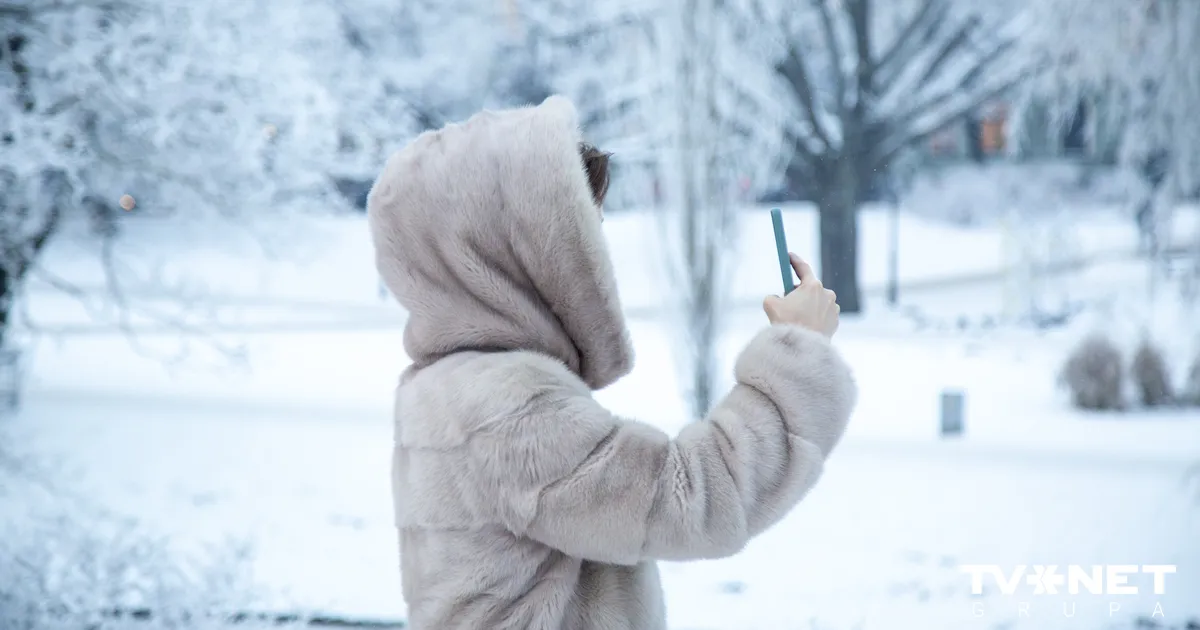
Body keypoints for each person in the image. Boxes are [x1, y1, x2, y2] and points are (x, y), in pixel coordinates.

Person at [367, 95, 857, 630]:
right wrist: (798, 350)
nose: (596, 250)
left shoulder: (445, 386)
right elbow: (696, 499)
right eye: (579, 229)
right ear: (510, 251)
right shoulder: (504, 405)